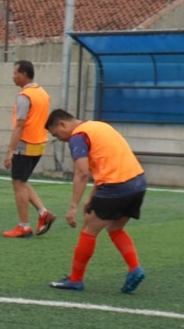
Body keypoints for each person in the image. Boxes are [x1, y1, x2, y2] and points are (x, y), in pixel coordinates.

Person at [44, 109, 147, 293]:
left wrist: (73, 206)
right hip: (138, 183)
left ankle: (75, 279)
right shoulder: (98, 126)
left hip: (117, 186)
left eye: (56, 134)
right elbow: (108, 164)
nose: (59, 139)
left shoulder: (78, 136)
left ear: (62, 124)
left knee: (88, 230)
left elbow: (82, 172)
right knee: (115, 228)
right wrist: (91, 197)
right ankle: (134, 269)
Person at [2, 60, 55, 238]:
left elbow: (20, 124)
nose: (13, 76)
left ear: (24, 74)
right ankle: (43, 213)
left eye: (15, 72)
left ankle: (24, 226)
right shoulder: (43, 93)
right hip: (39, 143)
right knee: (22, 181)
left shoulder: (25, 96)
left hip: (25, 144)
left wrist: (10, 150)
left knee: (17, 184)